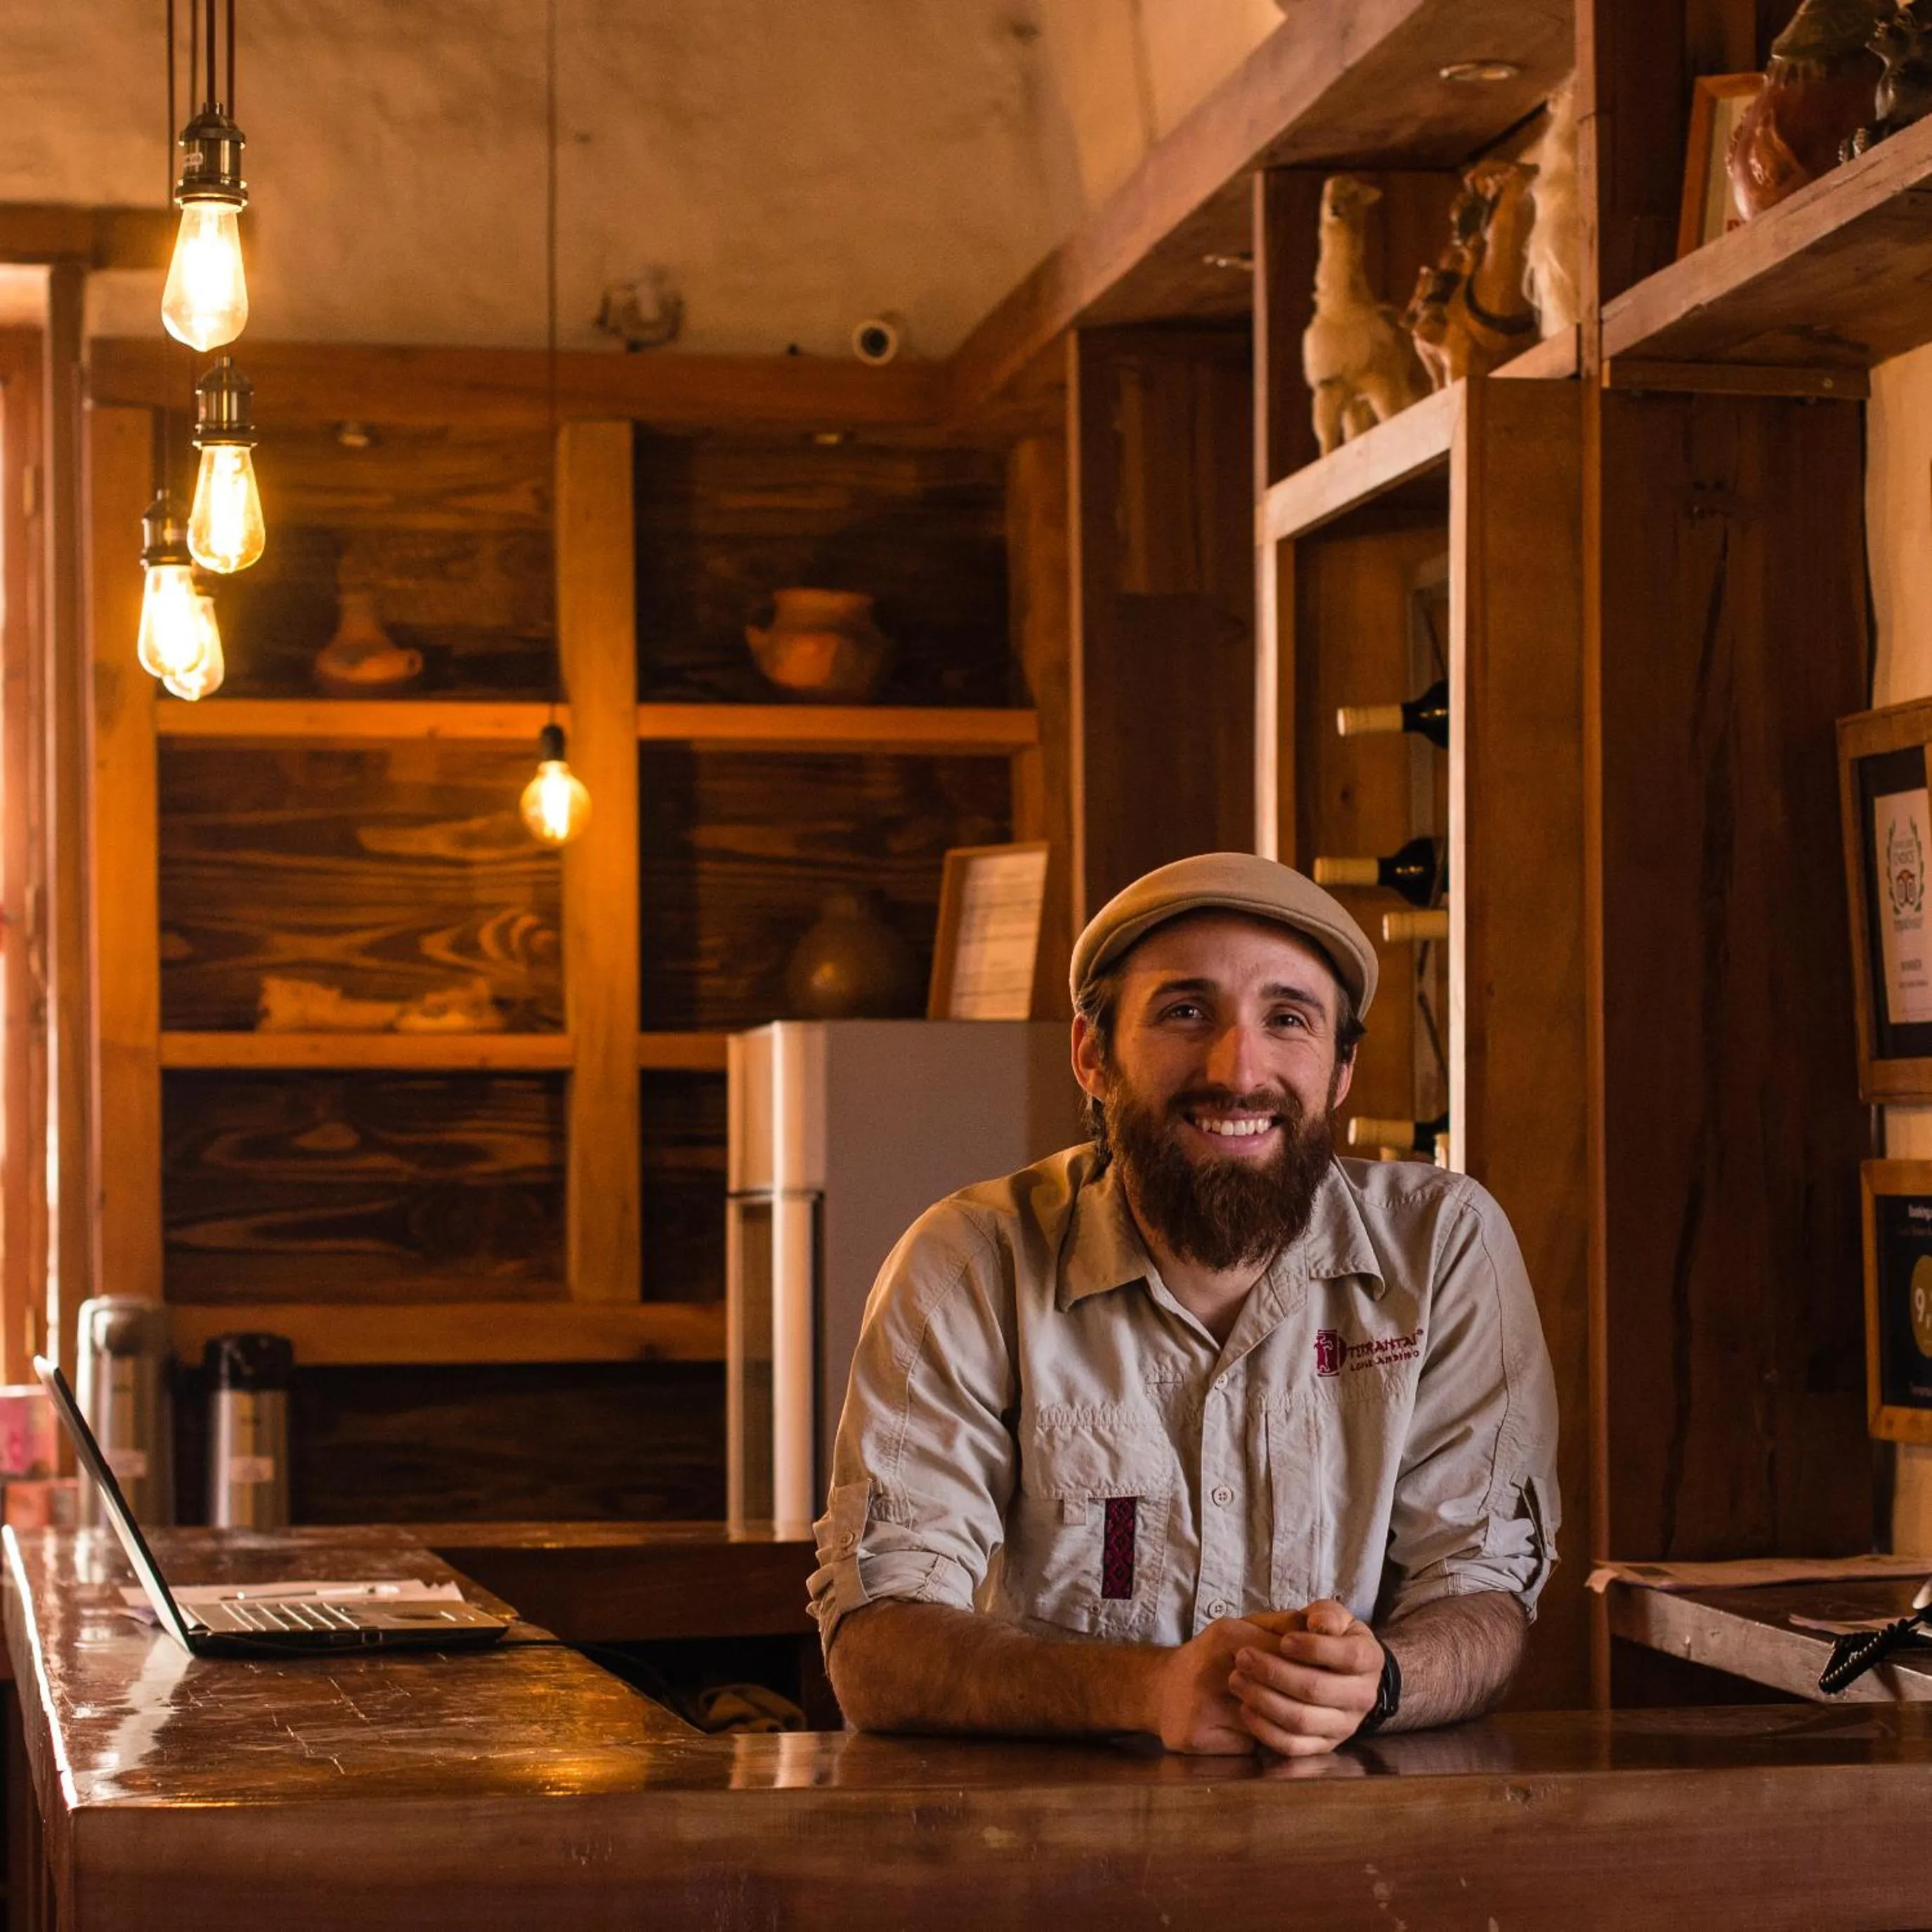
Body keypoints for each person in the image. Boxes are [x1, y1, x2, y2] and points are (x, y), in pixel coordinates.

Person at [808, 852, 1559, 1756]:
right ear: (1093, 1053)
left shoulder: (1442, 1248)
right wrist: (1146, 1690)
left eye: (1287, 1018)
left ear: (1342, 1068)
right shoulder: (968, 1263)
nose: (1237, 1068)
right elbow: (877, 1640)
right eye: (1183, 1012)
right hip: (1048, 1861)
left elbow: (1480, 1590)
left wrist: (1381, 1680)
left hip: (1358, 1859)